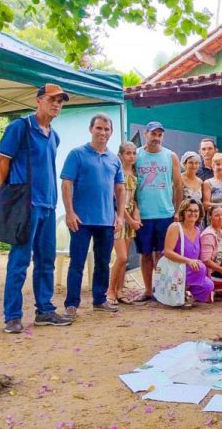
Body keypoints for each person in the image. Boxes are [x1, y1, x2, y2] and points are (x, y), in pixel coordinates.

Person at [0, 84, 73, 333]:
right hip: (26, 206)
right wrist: (7, 195)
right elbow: (1, 162)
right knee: (19, 261)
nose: (57, 104)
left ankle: (45, 311)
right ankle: (12, 316)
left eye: (61, 101)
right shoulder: (20, 127)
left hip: (48, 206)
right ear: (39, 100)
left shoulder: (54, 135)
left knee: (46, 261)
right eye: (52, 99)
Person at [60, 113, 125, 318]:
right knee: (77, 262)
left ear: (111, 132)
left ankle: (99, 300)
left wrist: (120, 215)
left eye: (106, 129)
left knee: (103, 262)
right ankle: (72, 304)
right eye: (99, 128)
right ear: (91, 129)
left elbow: (120, 188)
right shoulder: (77, 154)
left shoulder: (114, 159)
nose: (102, 133)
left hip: (106, 220)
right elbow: (66, 183)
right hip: (81, 220)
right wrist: (70, 212)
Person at [134, 121, 183, 303]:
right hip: (144, 215)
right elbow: (129, 184)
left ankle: (163, 290)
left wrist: (177, 211)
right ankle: (148, 290)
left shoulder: (170, 156)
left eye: (159, 135)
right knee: (145, 254)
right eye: (153, 134)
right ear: (145, 134)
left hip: (165, 214)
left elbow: (179, 185)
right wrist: (134, 211)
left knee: (163, 254)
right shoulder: (136, 155)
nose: (156, 138)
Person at [108, 142, 142, 305]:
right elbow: (116, 200)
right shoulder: (116, 172)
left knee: (125, 258)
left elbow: (134, 199)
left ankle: (120, 290)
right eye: (128, 153)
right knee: (121, 257)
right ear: (121, 155)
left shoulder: (134, 174)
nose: (131, 156)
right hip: (118, 217)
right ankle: (110, 290)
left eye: (134, 153)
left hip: (130, 219)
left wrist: (136, 217)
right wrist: (129, 219)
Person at [163, 199, 215, 303]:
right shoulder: (175, 227)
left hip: (190, 270)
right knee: (201, 268)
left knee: (209, 285)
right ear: (183, 212)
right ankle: (176, 292)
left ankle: (185, 294)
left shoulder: (197, 230)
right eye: (189, 210)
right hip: (175, 269)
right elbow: (167, 252)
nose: (193, 213)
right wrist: (188, 261)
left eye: (196, 211)